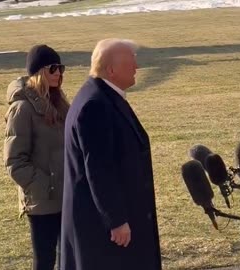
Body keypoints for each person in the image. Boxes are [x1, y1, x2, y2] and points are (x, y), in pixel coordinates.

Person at [61, 38, 161, 270]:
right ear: (111, 70)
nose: (137, 67)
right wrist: (115, 220)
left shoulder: (104, 96)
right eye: (130, 63)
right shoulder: (95, 105)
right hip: (104, 233)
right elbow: (98, 168)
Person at [4, 44, 69, 270]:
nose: (59, 73)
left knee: (68, 257)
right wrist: (44, 185)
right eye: (53, 68)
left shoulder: (58, 102)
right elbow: (14, 161)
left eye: (61, 68)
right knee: (45, 261)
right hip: (43, 200)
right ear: (39, 72)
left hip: (66, 195)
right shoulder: (22, 108)